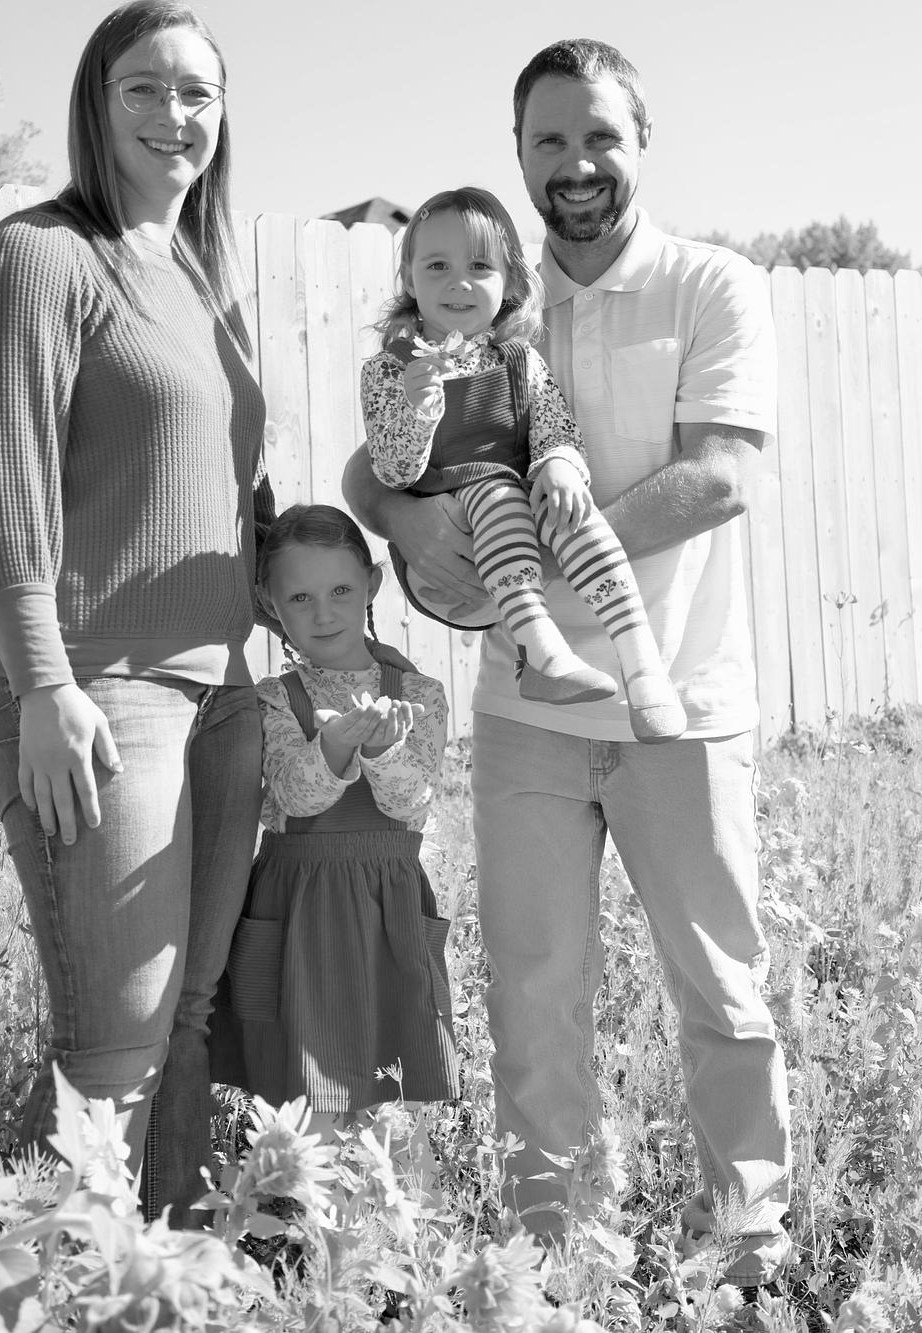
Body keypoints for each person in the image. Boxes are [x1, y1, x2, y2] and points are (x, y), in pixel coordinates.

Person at [343, 38, 792, 1292]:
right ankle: (550, 1254)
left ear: (641, 142)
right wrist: (412, 523)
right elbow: (371, 466)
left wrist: (525, 563)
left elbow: (721, 476)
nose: (576, 163)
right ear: (518, 153)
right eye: (549, 140)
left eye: (600, 136)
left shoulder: (711, 285)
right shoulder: (487, 285)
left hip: (679, 703)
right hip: (525, 711)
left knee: (720, 987)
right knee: (534, 992)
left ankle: (746, 1243)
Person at [0, 0, 275, 1226]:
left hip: (221, 687)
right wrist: (41, 683)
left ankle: (171, 1276)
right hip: (93, 687)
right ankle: (72, 1283)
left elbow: (216, 493)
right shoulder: (40, 256)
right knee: (117, 1040)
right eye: (143, 87)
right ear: (95, 103)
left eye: (197, 92)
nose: (172, 115)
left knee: (185, 1014)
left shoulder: (199, 280)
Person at [362, 185, 685, 741]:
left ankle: (643, 666)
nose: (458, 282)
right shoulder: (390, 370)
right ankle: (542, 652)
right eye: (437, 266)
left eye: (479, 266)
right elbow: (393, 471)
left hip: (514, 494)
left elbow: (554, 425)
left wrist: (560, 464)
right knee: (498, 496)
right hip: (450, 511)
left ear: (509, 281)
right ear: (409, 281)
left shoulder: (518, 359)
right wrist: (419, 410)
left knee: (574, 512)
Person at [208, 504, 457, 1195]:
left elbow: (411, 802)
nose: (323, 613)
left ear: (372, 584)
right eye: (300, 598)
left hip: (386, 906)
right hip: (301, 909)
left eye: (342, 590)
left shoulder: (419, 694)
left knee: (393, 1085)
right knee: (304, 1083)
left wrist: (381, 752)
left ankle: (404, 1223)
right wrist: (336, 746)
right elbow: (293, 794)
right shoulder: (272, 698)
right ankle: (302, 1225)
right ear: (270, 604)